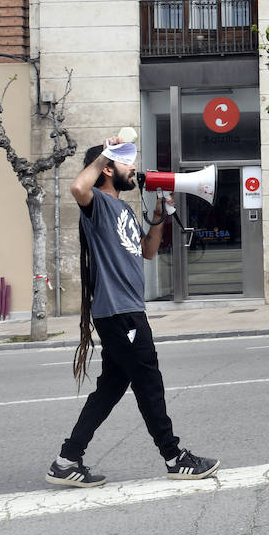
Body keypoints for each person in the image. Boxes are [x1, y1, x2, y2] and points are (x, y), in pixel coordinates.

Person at [45, 137, 218, 488]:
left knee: (110, 389)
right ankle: (174, 457)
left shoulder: (122, 209)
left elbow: (148, 251)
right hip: (119, 312)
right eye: (126, 162)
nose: (134, 168)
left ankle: (66, 460)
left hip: (126, 310)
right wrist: (106, 153)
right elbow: (78, 187)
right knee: (149, 383)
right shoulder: (96, 204)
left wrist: (158, 215)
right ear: (108, 169)